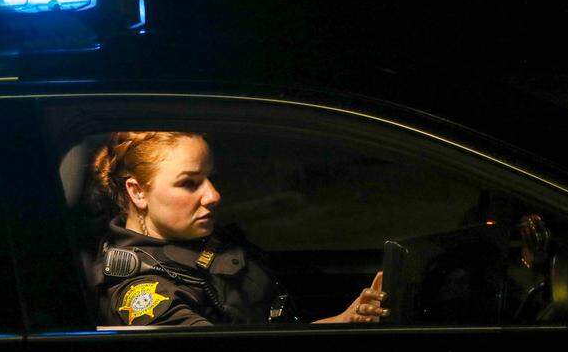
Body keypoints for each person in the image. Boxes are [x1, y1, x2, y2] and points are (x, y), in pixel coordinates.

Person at [89, 131, 388, 326]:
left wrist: (345, 320)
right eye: (189, 183)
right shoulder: (143, 290)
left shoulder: (193, 239)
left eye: (209, 178)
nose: (214, 195)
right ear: (137, 192)